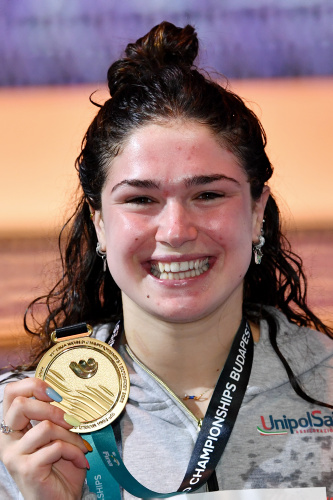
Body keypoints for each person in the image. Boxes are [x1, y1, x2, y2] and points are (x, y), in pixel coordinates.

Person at [0, 21, 332, 500]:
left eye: (209, 194)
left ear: (257, 212)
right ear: (99, 223)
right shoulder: (25, 425)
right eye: (140, 200)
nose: (176, 231)